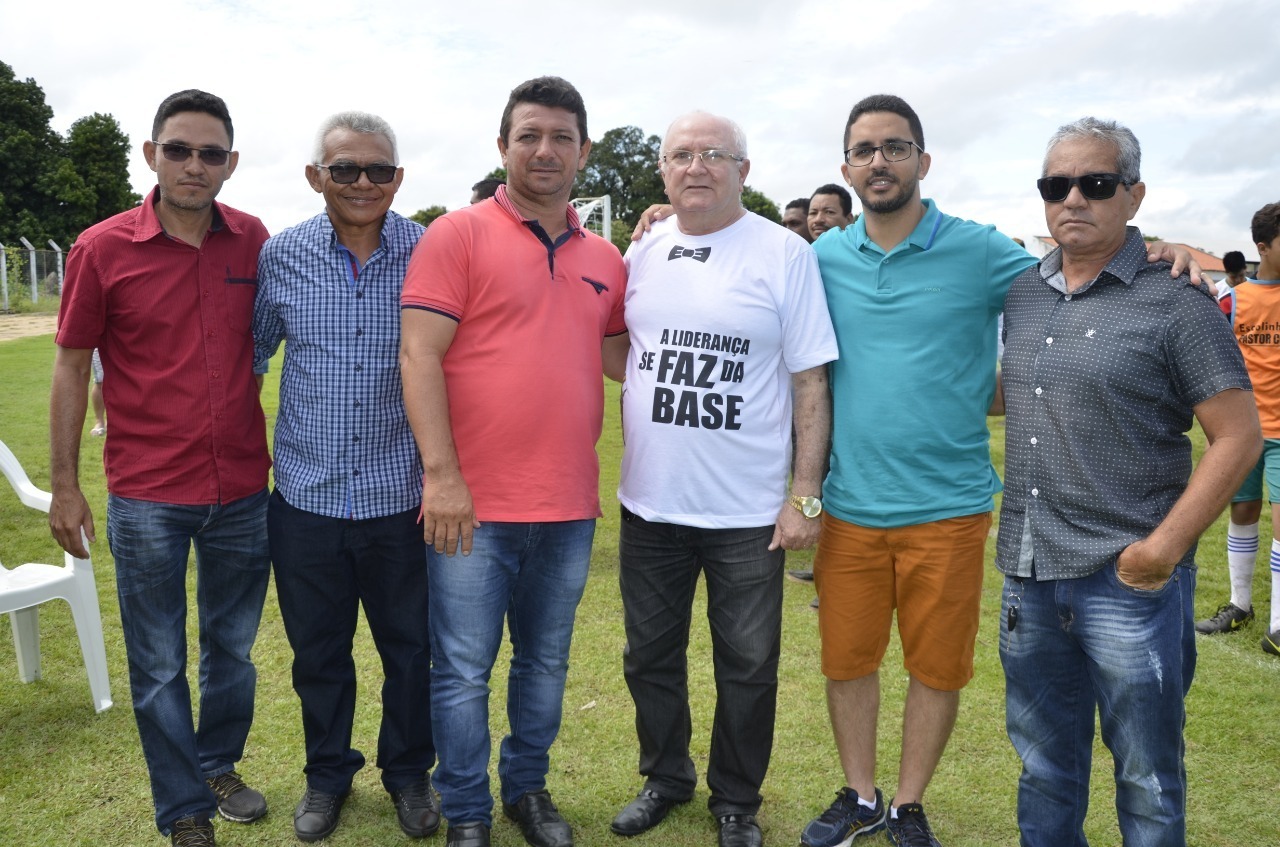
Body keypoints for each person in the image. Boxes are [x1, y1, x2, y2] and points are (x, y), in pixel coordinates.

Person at [798, 94, 1206, 847]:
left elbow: (1079, 269)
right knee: (847, 662)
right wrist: (666, 218)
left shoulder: (980, 251)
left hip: (950, 507)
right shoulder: (818, 259)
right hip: (848, 505)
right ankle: (859, 796)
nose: (879, 161)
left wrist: (1160, 247)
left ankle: (908, 805)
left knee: (937, 668)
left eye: (896, 147)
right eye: (864, 150)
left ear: (924, 160)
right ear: (845, 166)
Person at [996, 116, 1259, 846]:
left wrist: (1160, 552)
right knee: (1043, 769)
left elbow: (1239, 436)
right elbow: (1014, 393)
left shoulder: (1177, 299)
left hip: (1129, 580)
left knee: (1146, 779)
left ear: (1133, 195)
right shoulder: (1024, 292)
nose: (1073, 198)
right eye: (1056, 185)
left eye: (1096, 182)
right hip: (1030, 574)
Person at [399, 76, 628, 847]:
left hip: (567, 504)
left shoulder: (607, 257)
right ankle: (466, 809)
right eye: (529, 135)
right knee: (463, 669)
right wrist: (442, 477)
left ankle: (526, 790)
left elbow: (624, 358)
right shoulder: (456, 235)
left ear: (584, 152)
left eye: (562, 137)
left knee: (545, 664)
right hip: (471, 505)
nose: (545, 150)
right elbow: (419, 356)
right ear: (503, 146)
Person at [49, 89, 271, 847]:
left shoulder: (252, 240)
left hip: (242, 488)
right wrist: (66, 486)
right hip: (147, 494)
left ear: (230, 163)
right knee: (157, 661)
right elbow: (71, 367)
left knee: (232, 650)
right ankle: (182, 807)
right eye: (178, 149)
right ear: (151, 154)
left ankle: (217, 764)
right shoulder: (100, 248)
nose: (193, 165)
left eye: (211, 153)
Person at [609, 112, 837, 847]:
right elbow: (623, 351)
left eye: (714, 154)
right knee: (649, 657)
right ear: (663, 170)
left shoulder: (784, 252)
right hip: (651, 504)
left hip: (747, 512)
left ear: (744, 169)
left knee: (748, 665)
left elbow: (810, 381)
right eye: (681, 155)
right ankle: (665, 777)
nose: (696, 166)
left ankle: (737, 800)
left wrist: (805, 496)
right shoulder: (644, 247)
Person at [252, 111, 439, 843]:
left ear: (398, 177)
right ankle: (327, 775)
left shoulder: (429, 250)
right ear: (315, 176)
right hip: (307, 499)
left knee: (411, 651)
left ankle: (408, 774)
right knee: (319, 655)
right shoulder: (282, 255)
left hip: (402, 498)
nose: (363, 182)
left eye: (378, 169)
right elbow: (251, 359)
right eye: (345, 169)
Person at [1198, 203, 1280, 656]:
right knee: (1243, 512)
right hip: (1244, 432)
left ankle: (1279, 625)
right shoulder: (1233, 301)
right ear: (1262, 247)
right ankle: (1240, 605)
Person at [89, 348, 106, 436]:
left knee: (121, 381)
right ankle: (99, 421)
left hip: (121, 345)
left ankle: (114, 420)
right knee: (100, 380)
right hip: (99, 346)